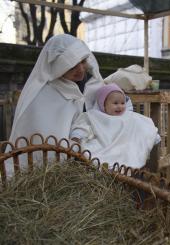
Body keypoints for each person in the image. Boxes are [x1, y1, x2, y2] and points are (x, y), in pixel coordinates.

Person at [5, 34, 132, 177]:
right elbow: (44, 143)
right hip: (45, 173)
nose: (81, 69)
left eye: (83, 61)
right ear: (57, 68)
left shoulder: (86, 85)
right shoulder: (41, 95)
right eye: (72, 66)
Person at [70, 83, 160, 169]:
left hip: (124, 146)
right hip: (103, 145)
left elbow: (142, 126)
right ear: (103, 104)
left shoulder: (129, 116)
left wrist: (153, 136)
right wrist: (76, 136)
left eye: (122, 103)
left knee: (129, 152)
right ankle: (105, 166)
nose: (120, 106)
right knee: (92, 151)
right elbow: (83, 126)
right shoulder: (95, 116)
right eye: (115, 103)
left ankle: (123, 167)